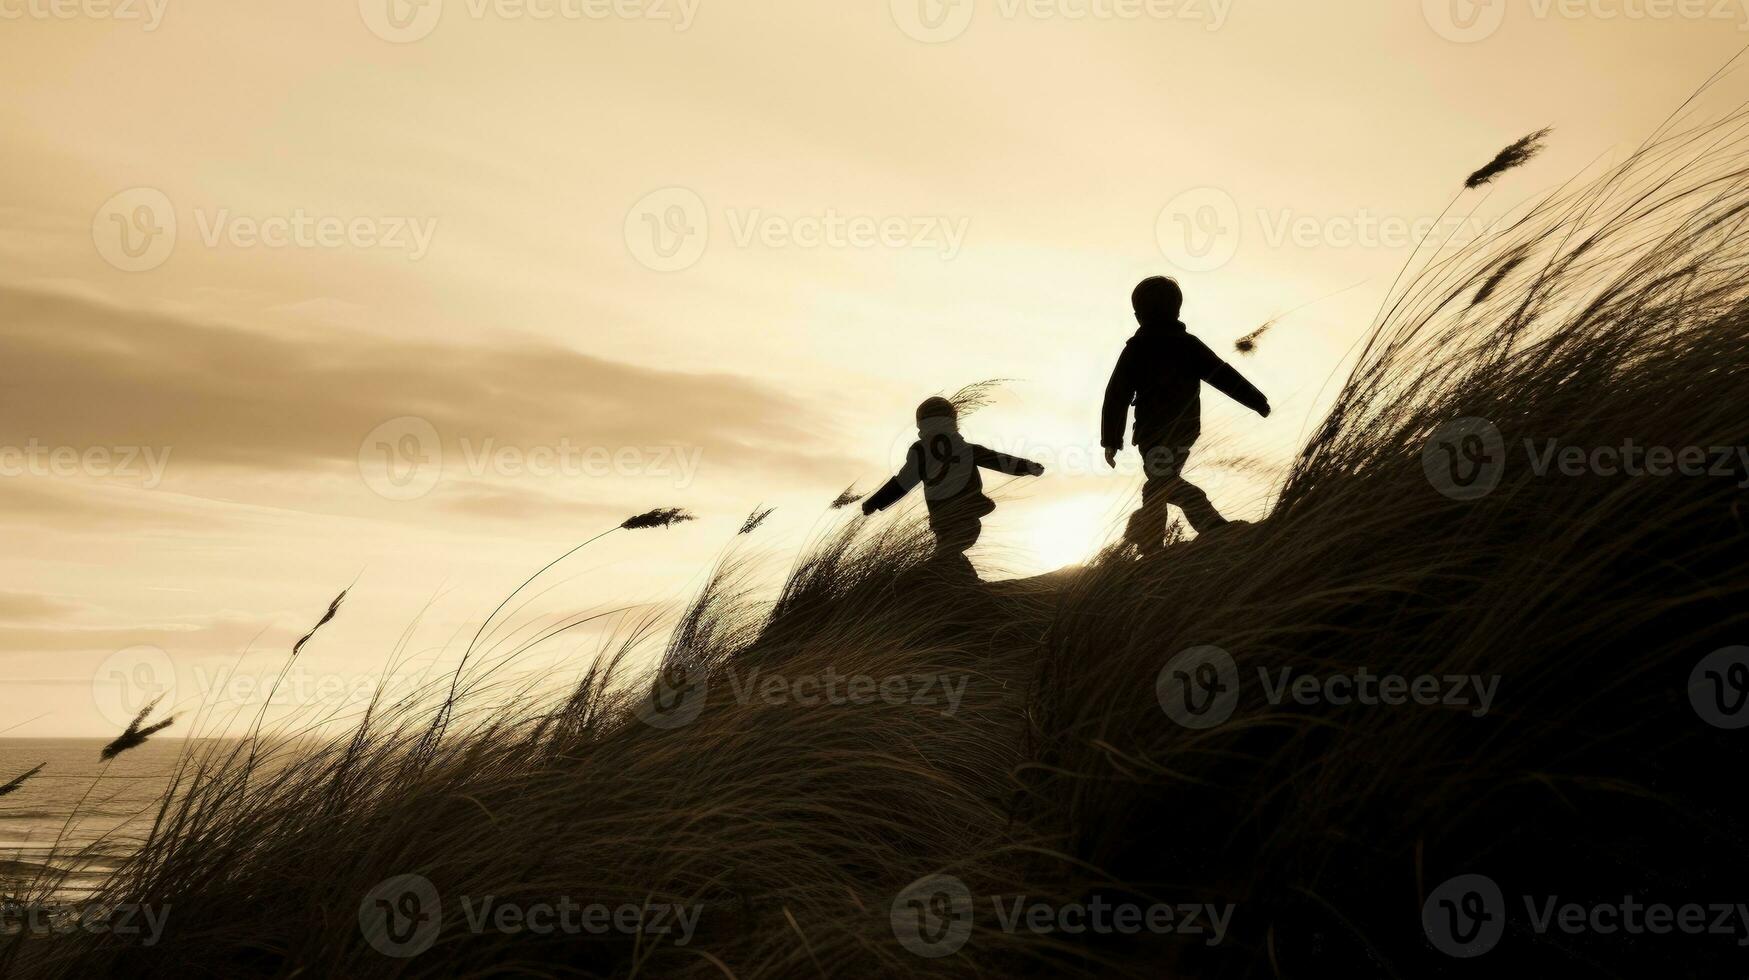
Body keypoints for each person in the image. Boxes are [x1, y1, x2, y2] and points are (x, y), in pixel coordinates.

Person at [1101, 276, 1270, 554]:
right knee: (1159, 484)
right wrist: (1256, 400)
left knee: (1160, 484)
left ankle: (1196, 532)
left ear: (1137, 315)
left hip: (1153, 433)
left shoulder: (1138, 349)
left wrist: (1111, 440)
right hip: (1185, 429)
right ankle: (1162, 543)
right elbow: (1222, 374)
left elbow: (1115, 397)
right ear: (1177, 310)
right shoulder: (1186, 344)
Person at [863, 396, 1045, 558]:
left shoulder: (919, 452)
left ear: (922, 425)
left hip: (941, 521)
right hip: (966, 519)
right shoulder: (966, 450)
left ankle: (951, 581)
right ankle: (955, 585)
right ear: (952, 422)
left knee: (947, 555)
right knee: (948, 556)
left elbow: (902, 482)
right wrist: (1029, 467)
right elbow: (999, 460)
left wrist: (874, 502)